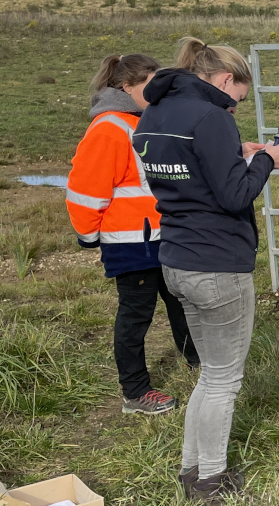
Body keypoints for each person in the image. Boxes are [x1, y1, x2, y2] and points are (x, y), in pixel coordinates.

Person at [132, 37, 279, 503]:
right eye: (237, 98)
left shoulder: (154, 114)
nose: (235, 105)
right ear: (225, 80)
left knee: (209, 375)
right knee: (224, 379)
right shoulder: (211, 117)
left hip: (176, 256)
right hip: (218, 262)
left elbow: (188, 174)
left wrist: (234, 152)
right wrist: (265, 160)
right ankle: (211, 482)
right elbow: (235, 196)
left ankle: (190, 469)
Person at [66, 53, 200, 415]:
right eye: (149, 85)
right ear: (126, 86)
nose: (158, 91)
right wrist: (89, 235)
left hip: (163, 235)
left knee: (181, 302)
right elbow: (85, 189)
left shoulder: (142, 120)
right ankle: (135, 391)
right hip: (130, 242)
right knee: (136, 317)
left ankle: (197, 363)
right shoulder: (109, 127)